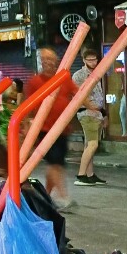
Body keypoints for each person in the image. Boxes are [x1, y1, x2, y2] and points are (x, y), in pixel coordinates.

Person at [23, 48, 86, 211]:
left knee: (57, 164)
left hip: (62, 129)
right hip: (45, 130)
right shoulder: (35, 82)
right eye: (45, 60)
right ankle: (64, 197)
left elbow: (77, 94)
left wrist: (95, 108)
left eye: (51, 60)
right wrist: (26, 126)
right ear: (41, 62)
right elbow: (27, 105)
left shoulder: (63, 78)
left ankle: (46, 198)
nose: (49, 63)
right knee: (54, 164)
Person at [72, 47, 107, 186]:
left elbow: (98, 95)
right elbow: (78, 94)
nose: (93, 62)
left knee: (90, 145)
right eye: (90, 60)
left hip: (97, 113)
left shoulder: (97, 74)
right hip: (87, 113)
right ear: (84, 60)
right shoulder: (79, 75)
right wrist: (89, 106)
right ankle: (81, 175)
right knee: (93, 144)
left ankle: (90, 174)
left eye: (95, 59)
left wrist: (103, 114)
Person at [0, 79, 22, 176]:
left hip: (10, 140)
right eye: (13, 92)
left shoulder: (14, 107)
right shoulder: (0, 108)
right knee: (5, 168)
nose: (15, 94)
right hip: (3, 140)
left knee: (8, 168)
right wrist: (4, 139)